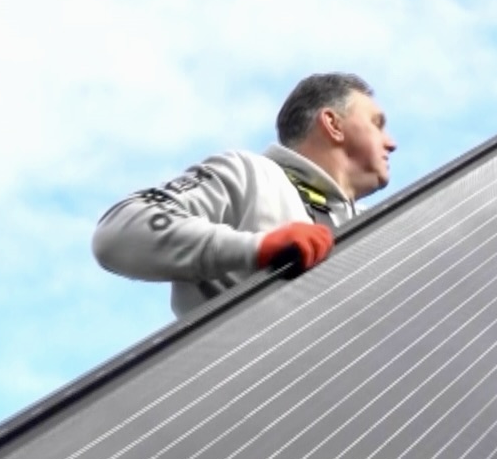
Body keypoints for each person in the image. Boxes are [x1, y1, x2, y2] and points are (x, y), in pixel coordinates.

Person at [92, 72, 397, 317]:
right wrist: (257, 248)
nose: (391, 143)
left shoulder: (381, 230)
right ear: (333, 124)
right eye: (377, 124)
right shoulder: (250, 174)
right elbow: (121, 229)